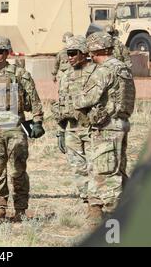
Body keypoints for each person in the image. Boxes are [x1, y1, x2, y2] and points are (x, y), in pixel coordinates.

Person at [0, 36, 45, 222]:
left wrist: (38, 121)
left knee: (18, 171)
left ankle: (20, 209)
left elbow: (34, 100)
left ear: (7, 53)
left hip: (16, 128)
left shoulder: (19, 74)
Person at [74, 31, 135, 223]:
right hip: (120, 124)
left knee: (107, 175)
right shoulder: (123, 68)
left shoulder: (104, 70)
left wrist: (77, 97)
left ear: (94, 50)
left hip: (107, 128)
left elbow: (85, 99)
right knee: (117, 171)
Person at [54, 35, 93, 204]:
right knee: (77, 165)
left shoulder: (95, 73)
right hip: (72, 127)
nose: (69, 57)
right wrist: (60, 131)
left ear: (84, 53)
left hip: (92, 127)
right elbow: (62, 101)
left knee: (96, 165)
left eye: (72, 53)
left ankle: (98, 198)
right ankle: (87, 198)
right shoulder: (65, 76)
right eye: (67, 54)